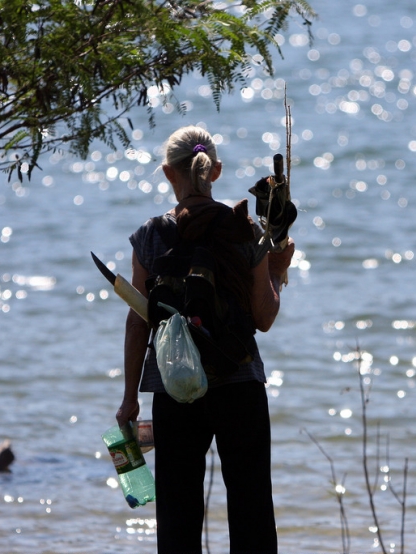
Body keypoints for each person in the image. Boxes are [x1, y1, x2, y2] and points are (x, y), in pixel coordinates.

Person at [115, 125, 294, 553]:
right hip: (240, 381)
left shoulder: (151, 235)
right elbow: (264, 318)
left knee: (177, 523)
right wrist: (277, 269)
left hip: (175, 389)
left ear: (166, 173)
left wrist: (129, 399)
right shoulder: (243, 228)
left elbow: (138, 321)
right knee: (252, 518)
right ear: (215, 171)